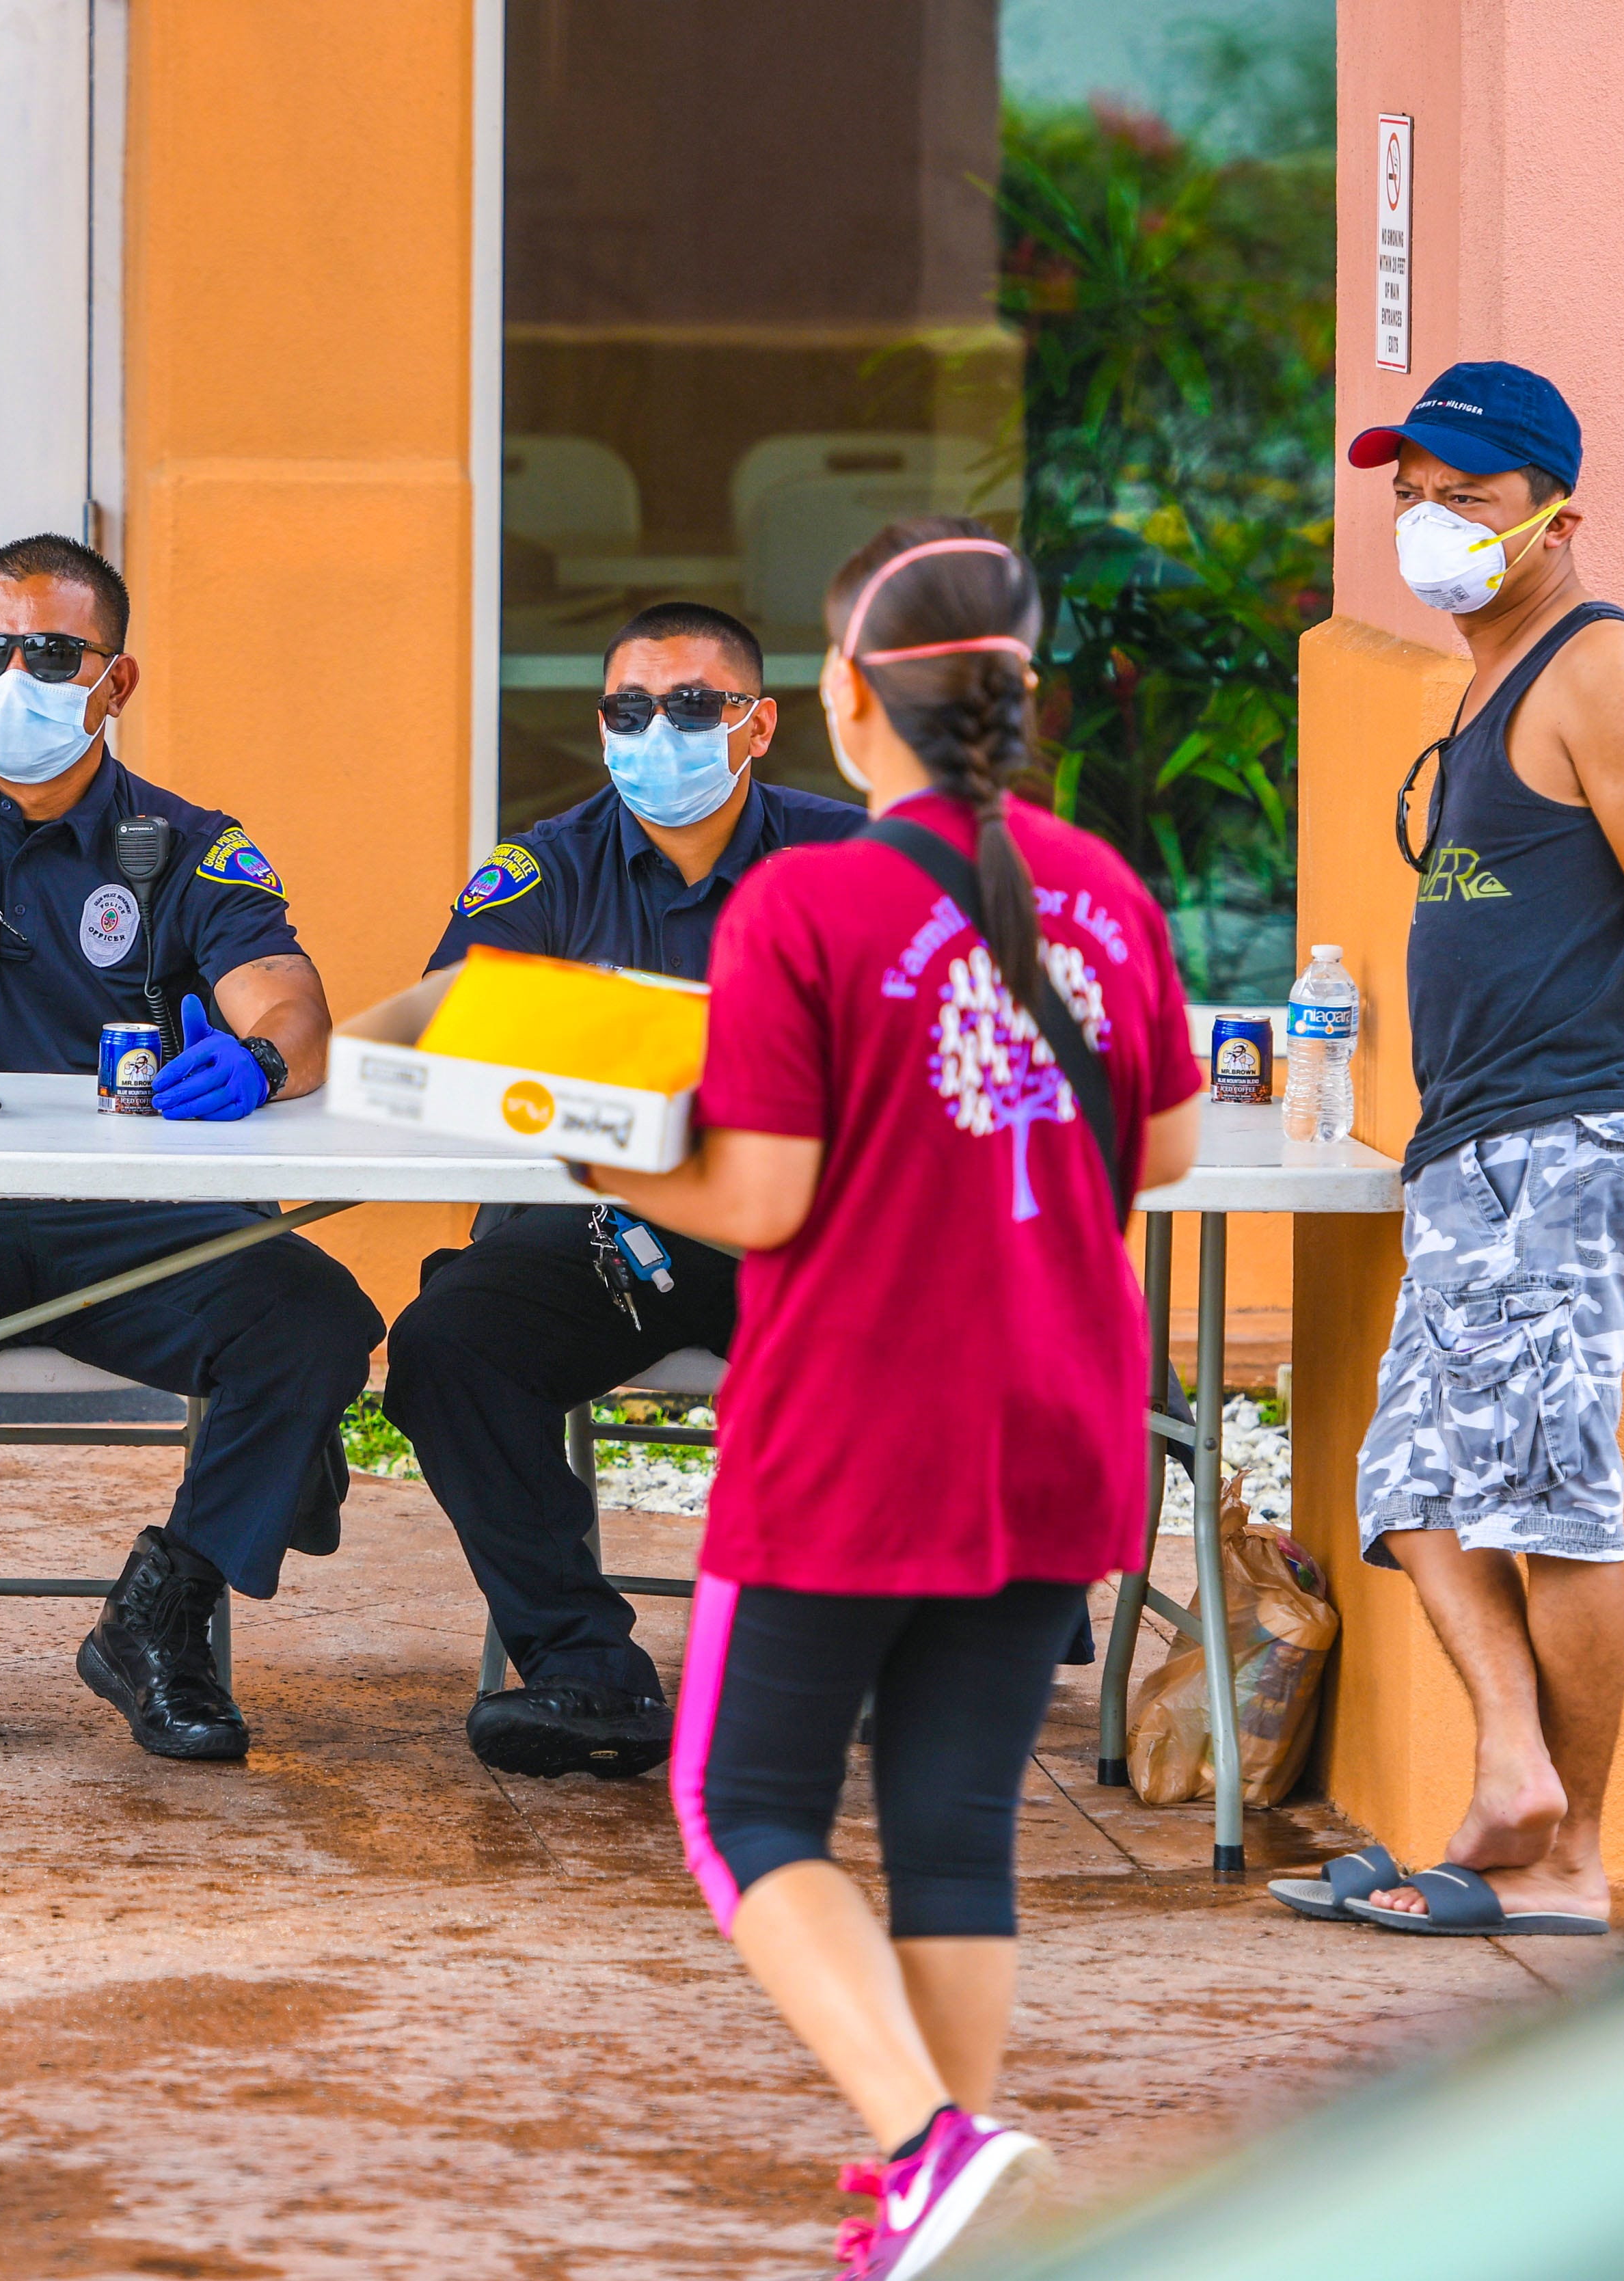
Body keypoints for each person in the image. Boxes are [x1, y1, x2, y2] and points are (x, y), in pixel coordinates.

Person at [584, 522, 1202, 2276]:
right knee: (950, 1824)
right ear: (1019, 698)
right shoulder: (1107, 889)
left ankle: (928, 2139)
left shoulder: (811, 900)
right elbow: (1156, 1145)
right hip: (1057, 1414)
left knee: (743, 1802)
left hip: (857, 1426)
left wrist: (594, 1156)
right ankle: (957, 2213)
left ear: (845, 697)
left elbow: (759, 1197)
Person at [1273, 362, 1624, 1939]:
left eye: (1467, 497)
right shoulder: (1480, 684)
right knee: (1412, 1481)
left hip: (1563, 1136)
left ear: (1555, 515)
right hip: (1474, 1149)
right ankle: (1511, 1771)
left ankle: (1566, 1854)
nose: (1429, 524)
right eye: (1409, 493)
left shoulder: (1600, 668)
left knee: (1549, 1499)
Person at [0, 532, 383, 1766]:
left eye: (50, 652)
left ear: (116, 681)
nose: (10, 676)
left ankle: (164, 1612)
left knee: (314, 1317)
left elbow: (294, 1006)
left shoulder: (188, 843)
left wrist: (262, 1063)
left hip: (138, 1226)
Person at [384, 602, 862, 1780]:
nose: (659, 730)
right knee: (449, 1345)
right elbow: (448, 1029)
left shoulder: (851, 860)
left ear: (759, 725)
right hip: (599, 1240)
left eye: (693, 706)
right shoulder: (545, 865)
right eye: (629, 708)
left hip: (802, 1238)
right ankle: (581, 1665)